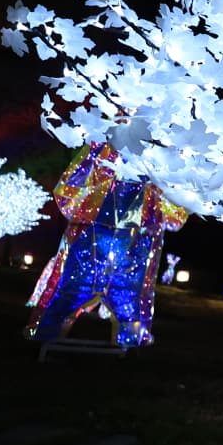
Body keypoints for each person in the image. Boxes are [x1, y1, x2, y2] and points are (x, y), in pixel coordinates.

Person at [24, 137, 188, 347]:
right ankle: (46, 336)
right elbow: (71, 188)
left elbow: (175, 206)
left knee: (127, 296)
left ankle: (129, 345)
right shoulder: (105, 144)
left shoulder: (162, 153)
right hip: (95, 230)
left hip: (135, 237)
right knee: (73, 288)